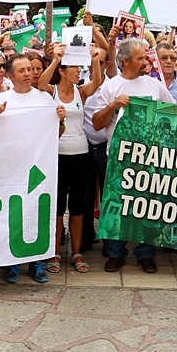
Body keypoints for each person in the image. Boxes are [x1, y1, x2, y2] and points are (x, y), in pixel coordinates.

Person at [91, 39, 174, 273]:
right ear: (126, 61)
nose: (146, 61)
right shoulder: (110, 87)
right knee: (117, 204)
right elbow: (97, 124)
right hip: (119, 157)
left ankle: (146, 252)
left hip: (150, 158)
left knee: (147, 206)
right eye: (141, 57)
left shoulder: (155, 86)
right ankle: (116, 252)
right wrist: (112, 106)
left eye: (146, 56)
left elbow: (174, 113)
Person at [0, 54, 65, 284]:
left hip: (39, 167)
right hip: (11, 167)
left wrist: (60, 121)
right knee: (13, 213)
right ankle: (12, 263)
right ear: (10, 76)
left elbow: (57, 134)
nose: (28, 74)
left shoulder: (45, 99)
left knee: (37, 212)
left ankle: (37, 262)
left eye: (30, 69)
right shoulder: (1, 99)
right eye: (22, 70)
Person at [39, 43, 103, 274]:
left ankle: (76, 252)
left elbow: (97, 83)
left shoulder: (81, 91)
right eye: (74, 67)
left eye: (80, 67)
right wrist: (56, 59)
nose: (79, 71)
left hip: (81, 154)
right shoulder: (53, 91)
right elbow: (40, 83)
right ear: (64, 71)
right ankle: (54, 252)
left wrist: (95, 59)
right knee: (57, 207)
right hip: (57, 155)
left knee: (78, 206)